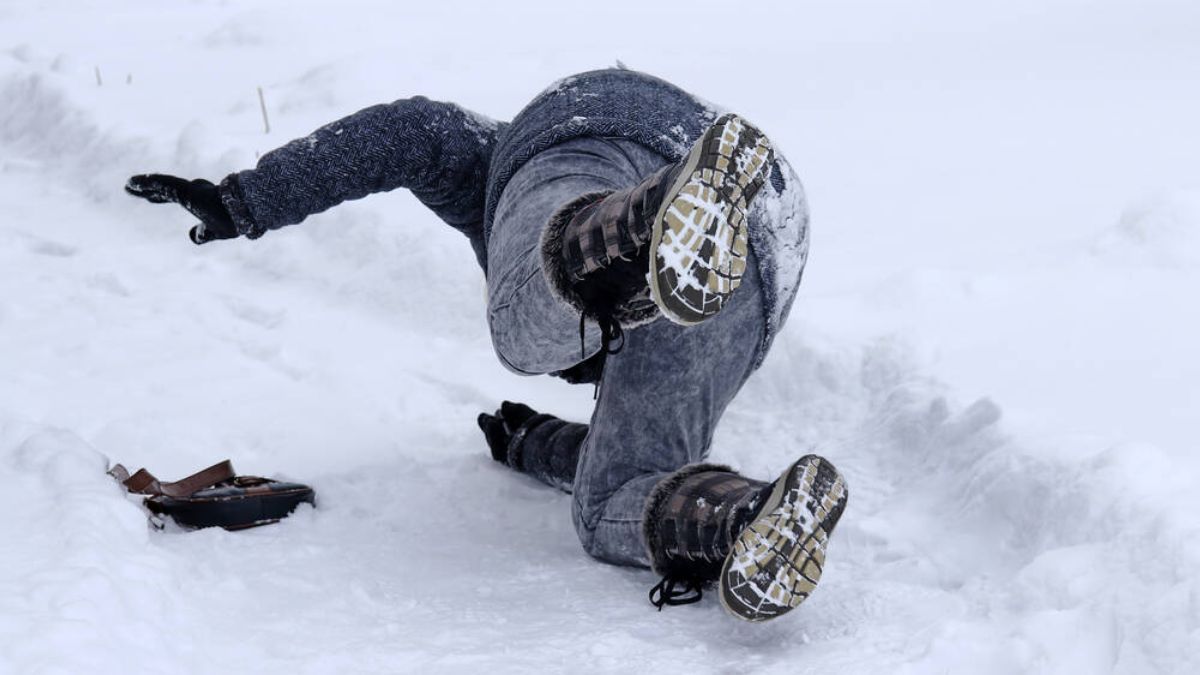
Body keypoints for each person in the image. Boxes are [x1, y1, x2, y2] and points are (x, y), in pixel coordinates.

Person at [125, 67, 849, 622]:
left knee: (524, 328)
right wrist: (533, 444)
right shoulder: (677, 293)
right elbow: (601, 449)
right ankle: (750, 522)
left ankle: (642, 219)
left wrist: (245, 199)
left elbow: (411, 132)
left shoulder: (490, 158)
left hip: (589, 127)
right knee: (610, 503)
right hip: (769, 240)